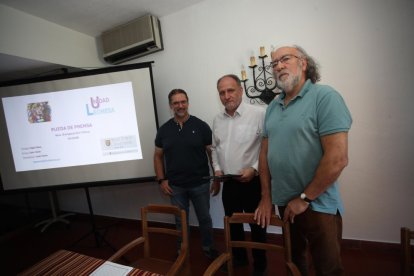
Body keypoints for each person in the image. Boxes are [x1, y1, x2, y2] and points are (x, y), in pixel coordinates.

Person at [254, 45, 352, 276]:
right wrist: (266, 198)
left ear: (304, 63)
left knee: (327, 268)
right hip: (284, 203)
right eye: (274, 63)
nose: (278, 66)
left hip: (317, 203)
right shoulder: (272, 108)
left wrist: (304, 198)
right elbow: (264, 155)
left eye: (284, 59)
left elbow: (338, 159)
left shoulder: (325, 97)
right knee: (293, 263)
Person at [211, 74, 267, 276]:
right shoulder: (217, 120)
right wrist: (217, 169)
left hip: (254, 181)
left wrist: (254, 168)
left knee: (257, 226)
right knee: (232, 223)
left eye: (230, 90)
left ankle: (260, 265)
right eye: (222, 92)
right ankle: (240, 259)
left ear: (241, 91)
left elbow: (266, 147)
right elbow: (215, 149)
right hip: (229, 182)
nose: (226, 96)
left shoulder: (259, 113)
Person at [154, 88, 219, 259]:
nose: (180, 105)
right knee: (180, 222)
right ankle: (182, 252)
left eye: (183, 102)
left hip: (201, 183)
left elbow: (212, 154)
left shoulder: (201, 126)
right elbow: (158, 156)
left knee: (205, 219)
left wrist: (217, 178)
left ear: (188, 102)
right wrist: (161, 180)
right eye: (176, 103)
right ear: (171, 106)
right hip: (175, 187)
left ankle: (208, 248)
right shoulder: (164, 130)